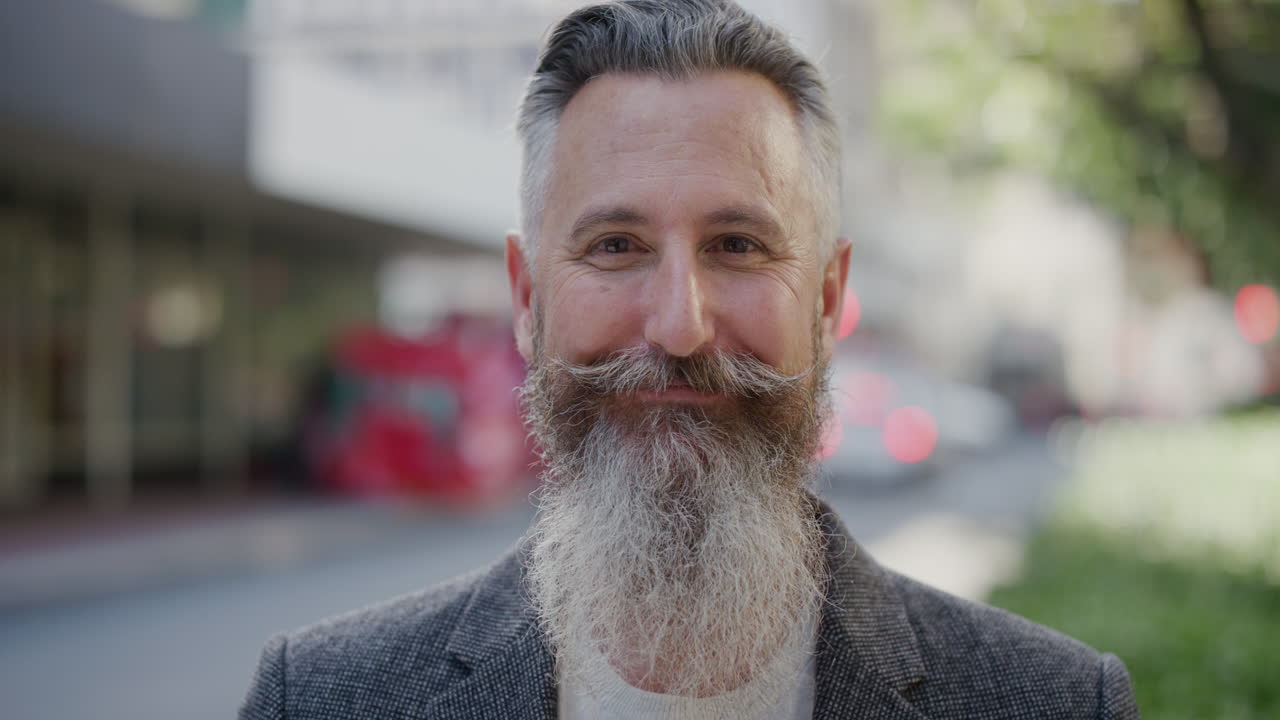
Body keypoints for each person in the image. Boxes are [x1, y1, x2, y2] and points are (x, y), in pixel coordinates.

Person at [240, 1, 1140, 718]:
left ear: (827, 301)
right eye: (616, 247)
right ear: (527, 299)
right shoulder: (318, 700)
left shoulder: (1054, 703)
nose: (679, 327)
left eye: (738, 246)